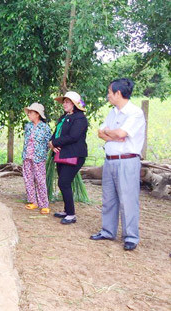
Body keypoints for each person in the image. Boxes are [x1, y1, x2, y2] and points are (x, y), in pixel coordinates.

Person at [90, 78, 145, 251]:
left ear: (118, 93)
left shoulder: (134, 113)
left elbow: (122, 133)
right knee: (109, 198)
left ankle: (130, 236)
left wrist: (114, 134)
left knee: (128, 200)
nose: (108, 95)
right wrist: (113, 135)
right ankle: (107, 231)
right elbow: (101, 132)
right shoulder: (113, 112)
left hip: (127, 161)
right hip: (110, 160)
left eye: (109, 92)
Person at [49, 91, 88, 224]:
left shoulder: (80, 118)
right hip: (62, 154)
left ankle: (71, 215)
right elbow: (56, 133)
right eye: (64, 102)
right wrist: (51, 143)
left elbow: (73, 136)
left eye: (67, 102)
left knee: (63, 182)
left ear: (74, 104)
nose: (64, 104)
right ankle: (67, 211)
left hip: (75, 154)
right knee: (64, 182)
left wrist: (55, 142)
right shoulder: (63, 117)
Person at [22, 103, 52, 214]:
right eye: (28, 112)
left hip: (39, 158)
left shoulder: (45, 128)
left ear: (37, 114)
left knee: (40, 180)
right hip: (27, 156)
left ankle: (44, 204)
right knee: (28, 178)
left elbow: (49, 143)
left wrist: (41, 154)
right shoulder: (28, 126)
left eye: (31, 113)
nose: (29, 114)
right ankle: (33, 201)